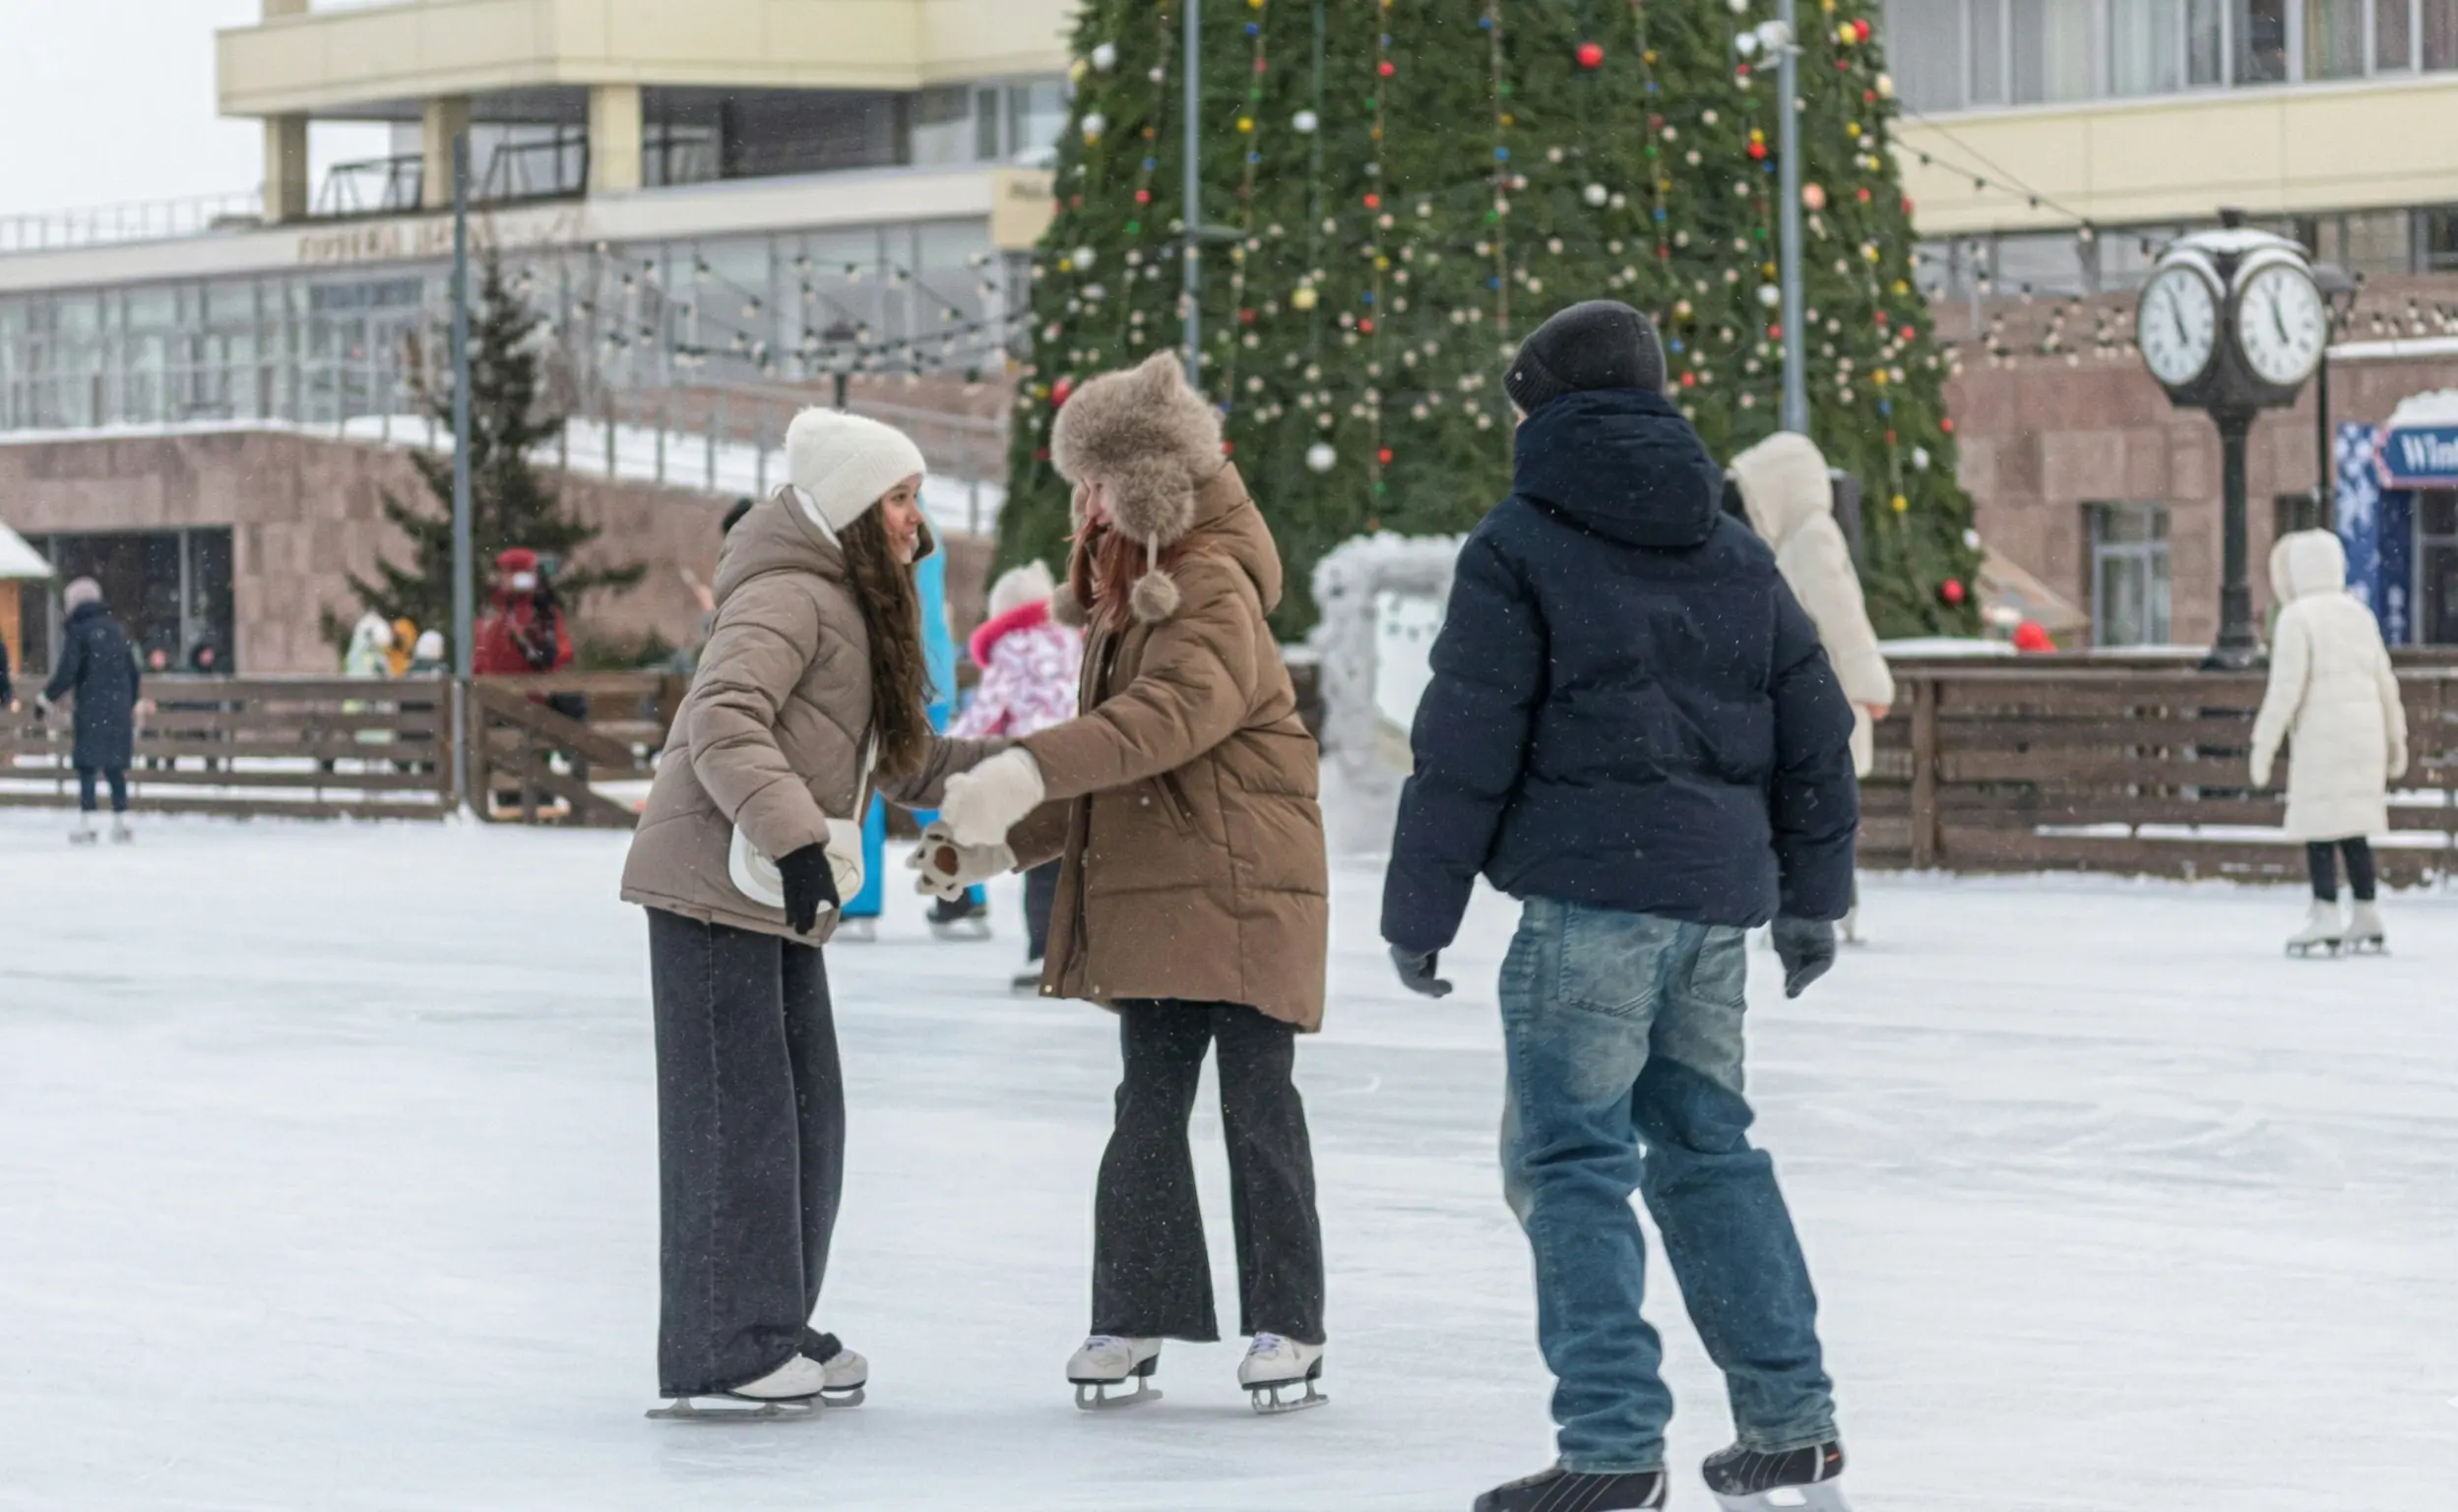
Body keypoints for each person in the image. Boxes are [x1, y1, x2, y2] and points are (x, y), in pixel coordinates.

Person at [1379, 301, 1859, 1512]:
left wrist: (1419, 910)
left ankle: (1608, 1447)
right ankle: (1791, 1422)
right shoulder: (1733, 546)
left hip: (1590, 905)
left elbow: (1465, 743)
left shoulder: (1519, 542)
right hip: (1710, 911)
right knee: (1709, 1152)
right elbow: (1817, 733)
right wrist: (1813, 902)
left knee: (1572, 1163)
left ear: (1541, 405)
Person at [928, 351, 1331, 1414]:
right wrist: (993, 843)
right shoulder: (1126, 597)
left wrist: (1020, 767)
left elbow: (1166, 724)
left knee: (1255, 1103)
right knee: (1146, 1108)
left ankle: (1286, 1321)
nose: (1086, 504)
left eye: (1099, 482)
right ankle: (1133, 1312)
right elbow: (1113, 774)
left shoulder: (1208, 584)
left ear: (1148, 481)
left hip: (1242, 887)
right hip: (1162, 885)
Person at [617, 409, 1002, 1417]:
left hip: (769, 883)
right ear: (850, 507)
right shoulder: (790, 593)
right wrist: (795, 838)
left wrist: (1033, 771)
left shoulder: (850, 602)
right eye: (900, 500)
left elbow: (906, 759)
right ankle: (720, 1348)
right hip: (716, 882)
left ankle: (770, 1320)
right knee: (734, 1118)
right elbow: (721, 716)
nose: (915, 522)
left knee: (802, 1116)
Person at [1729, 432, 1893, 946]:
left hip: (1821, 696)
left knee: (1813, 804)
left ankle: (1825, 908)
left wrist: (1869, 682)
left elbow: (1840, 615)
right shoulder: (1799, 537)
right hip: (1820, 695)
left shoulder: (1805, 537)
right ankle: (1826, 907)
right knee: (1822, 803)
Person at [2251, 529, 2408, 956]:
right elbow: (2385, 681)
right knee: (2354, 828)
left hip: (2322, 737)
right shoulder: (2359, 614)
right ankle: (2366, 910)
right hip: (2365, 734)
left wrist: (2262, 746)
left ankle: (2325, 913)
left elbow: (2285, 689)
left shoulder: (2297, 618)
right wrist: (2397, 742)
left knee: (2319, 827)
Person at [945, 559, 1082, 989]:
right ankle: (1084, 954)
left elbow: (987, 712)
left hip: (1036, 767)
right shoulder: (1075, 640)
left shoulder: (1012, 646)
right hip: (1086, 762)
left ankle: (1044, 953)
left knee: (1040, 862)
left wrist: (946, 749)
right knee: (1078, 863)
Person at [39, 577, 145, 845]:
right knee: (115, 765)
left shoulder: (80, 631)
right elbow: (133, 672)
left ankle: (88, 821)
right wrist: (129, 702)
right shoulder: (117, 630)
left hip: (90, 707)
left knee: (87, 765)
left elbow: (68, 670)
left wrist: (46, 698)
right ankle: (122, 819)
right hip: (118, 707)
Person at [473, 548, 573, 676]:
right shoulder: (493, 609)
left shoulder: (543, 611)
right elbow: (482, 657)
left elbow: (560, 654)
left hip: (533, 688)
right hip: (496, 687)